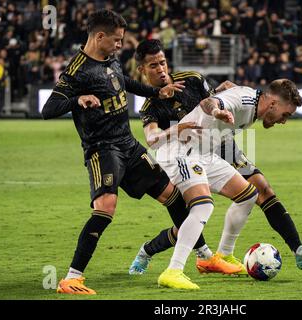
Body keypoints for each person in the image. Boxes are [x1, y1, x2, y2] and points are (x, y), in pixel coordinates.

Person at [41, 9, 218, 295]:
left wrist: (156, 93)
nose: (121, 45)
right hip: (103, 149)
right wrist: (78, 99)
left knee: (172, 194)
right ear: (100, 37)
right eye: (117, 40)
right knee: (106, 207)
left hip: (128, 145)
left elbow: (125, 83)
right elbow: (47, 110)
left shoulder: (111, 60)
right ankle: (71, 278)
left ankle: (204, 256)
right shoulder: (76, 71)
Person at [129, 39, 302, 282]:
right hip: (181, 150)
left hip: (215, 142)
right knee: (195, 213)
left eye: (162, 63)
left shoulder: (191, 78)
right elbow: (157, 135)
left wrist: (224, 97)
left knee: (254, 192)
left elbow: (214, 97)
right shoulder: (151, 104)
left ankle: (228, 255)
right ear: (142, 70)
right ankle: (165, 263)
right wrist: (211, 112)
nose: (160, 69)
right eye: (153, 65)